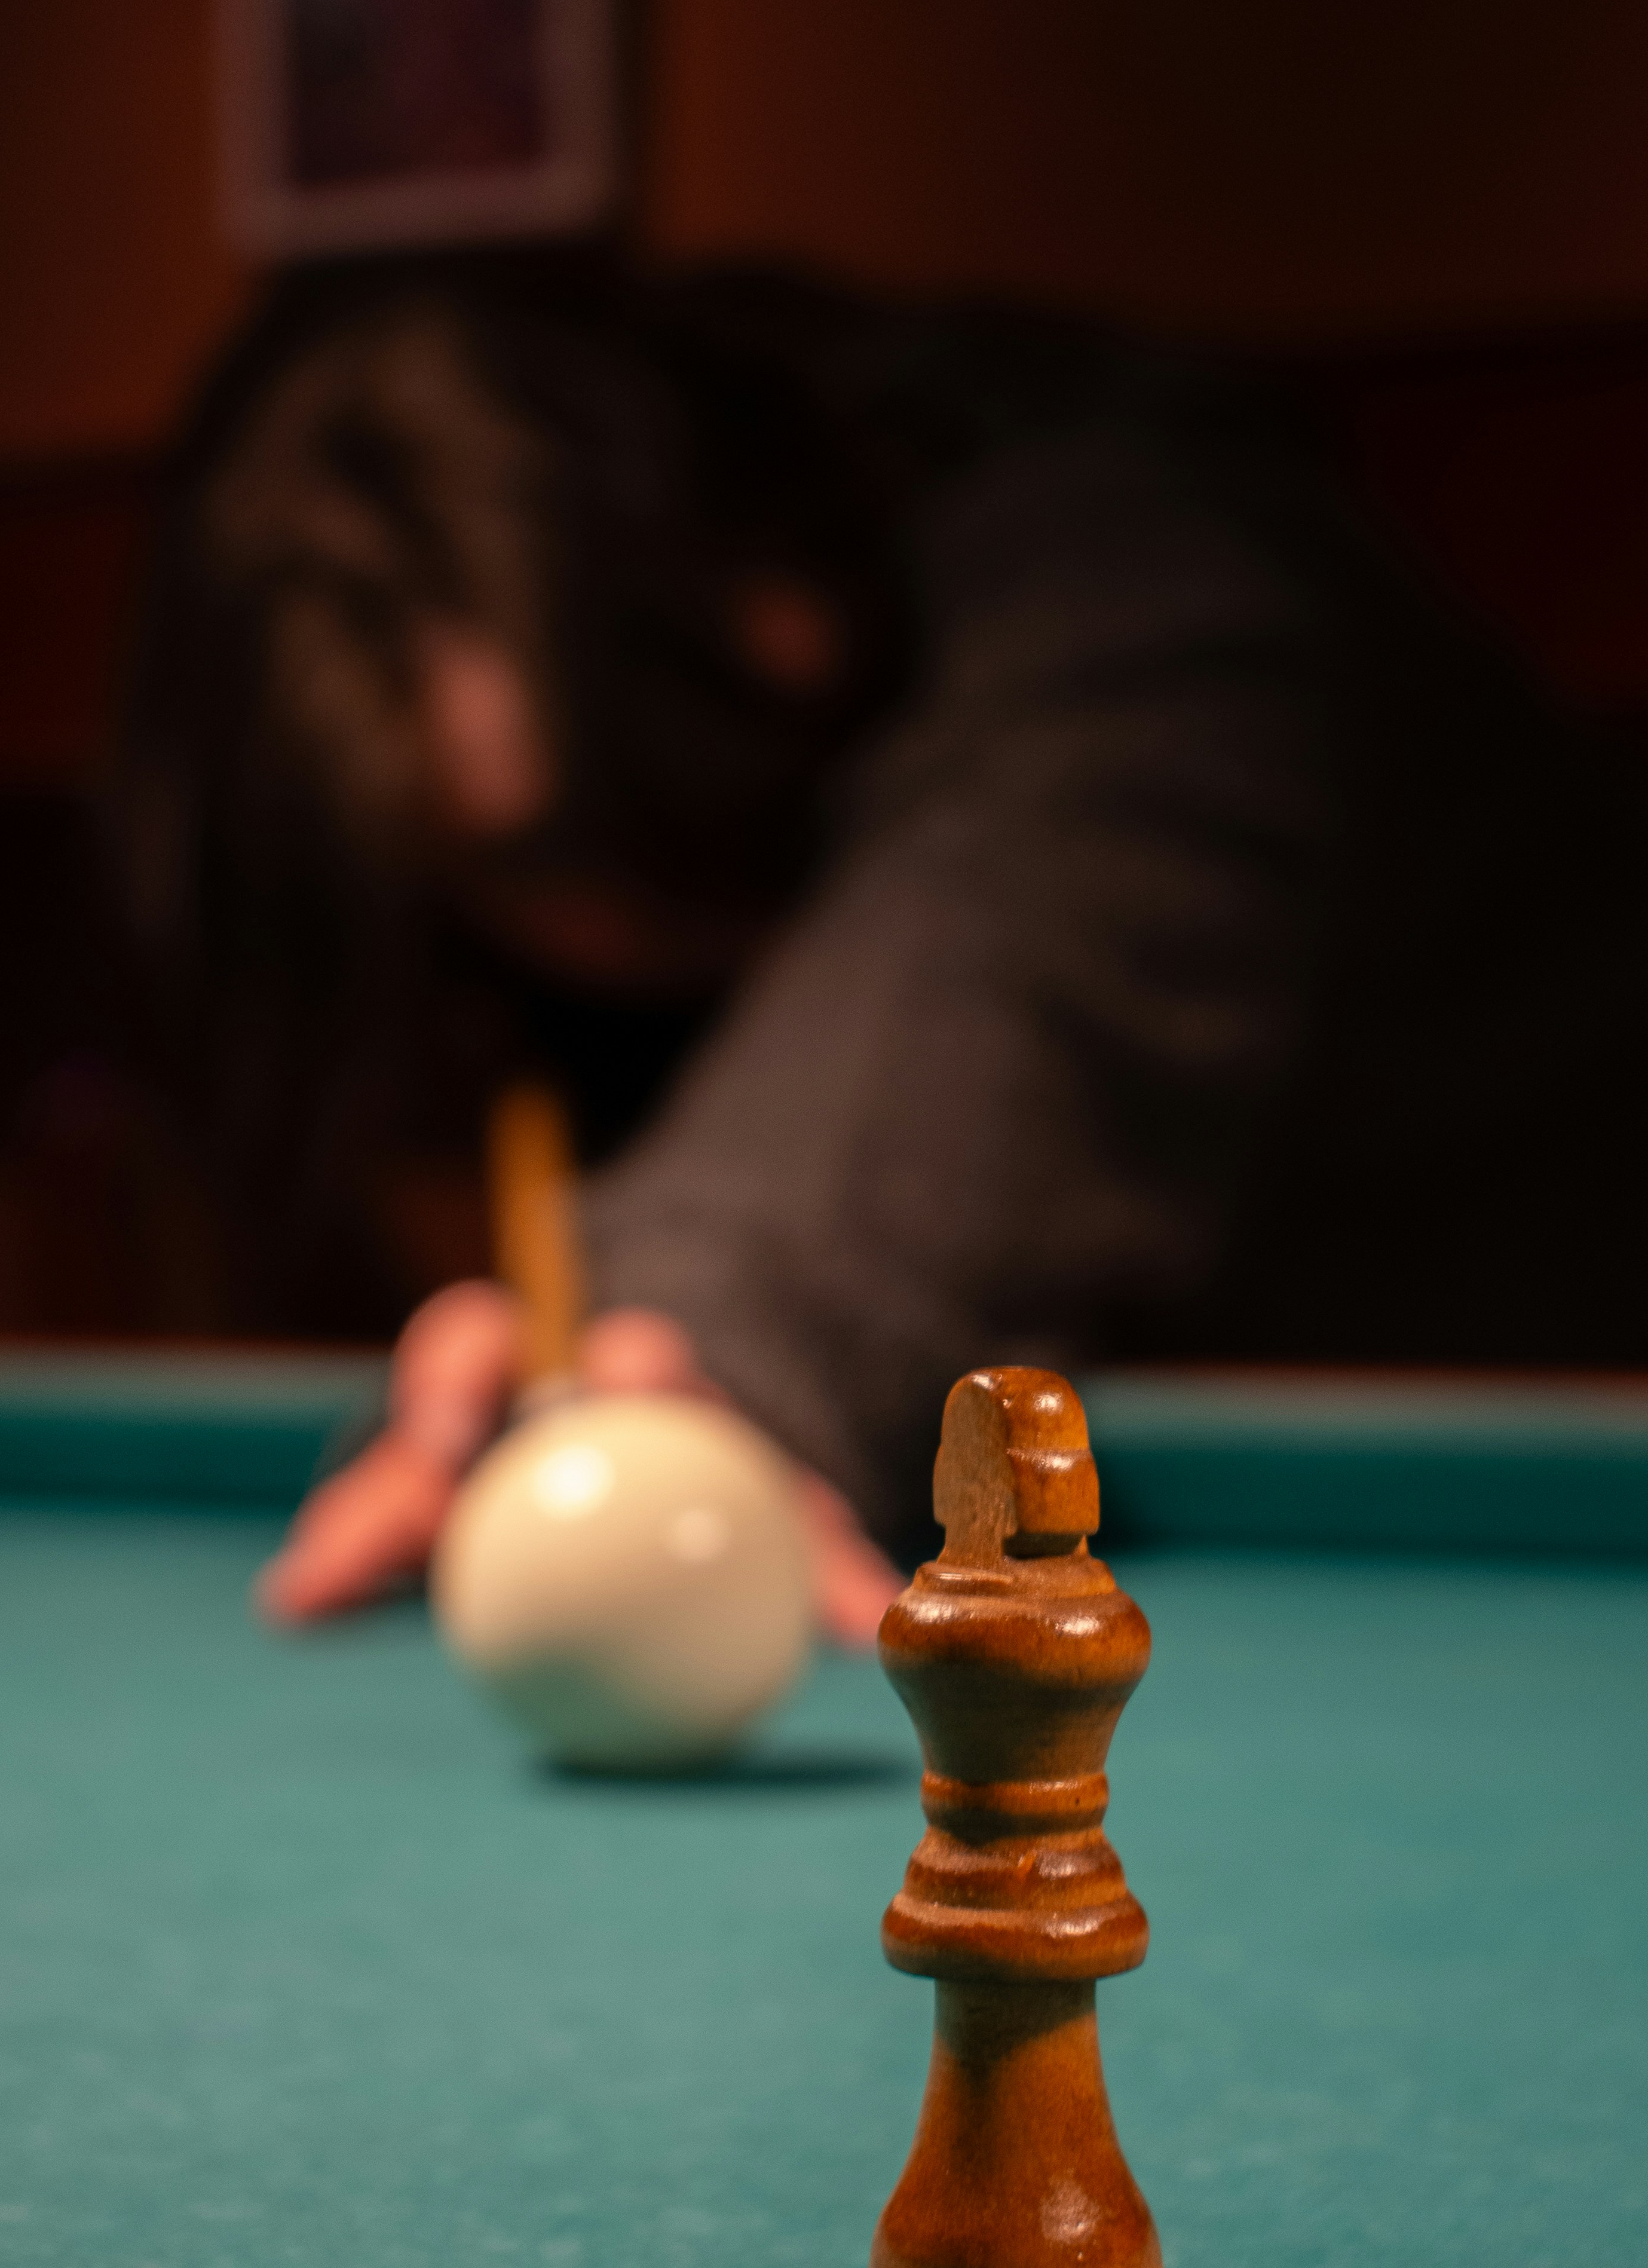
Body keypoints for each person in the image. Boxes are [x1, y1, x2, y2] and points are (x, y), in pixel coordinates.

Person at [114, 252, 1648, 1639]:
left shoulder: (1145, 594)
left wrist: (685, 1359)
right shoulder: (600, 859)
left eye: (617, 790)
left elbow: (982, 968)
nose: (593, 914)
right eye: (506, 865)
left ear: (771, 617)